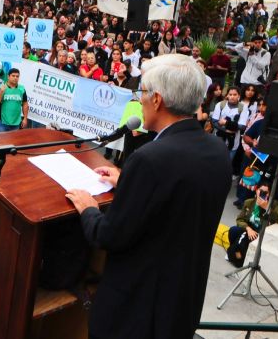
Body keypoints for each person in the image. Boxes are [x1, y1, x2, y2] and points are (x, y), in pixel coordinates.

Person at [65, 54, 231, 339]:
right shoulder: (216, 151)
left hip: (137, 313)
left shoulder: (149, 159)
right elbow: (177, 201)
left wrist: (89, 207)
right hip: (181, 305)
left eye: (141, 92)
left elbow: (109, 236)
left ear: (157, 100)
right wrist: (127, 181)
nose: (139, 99)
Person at [226, 179, 278, 267]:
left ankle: (238, 257)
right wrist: (248, 228)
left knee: (243, 243)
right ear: (256, 190)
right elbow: (240, 219)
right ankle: (234, 253)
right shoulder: (249, 202)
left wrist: (266, 207)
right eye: (261, 191)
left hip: (262, 232)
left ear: (269, 194)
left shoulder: (274, 205)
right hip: (250, 229)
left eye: (266, 192)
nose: (262, 194)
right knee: (233, 231)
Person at [0, 68, 28, 132]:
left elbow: (25, 104)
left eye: (17, 76)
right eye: (13, 76)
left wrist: (25, 118)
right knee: (1, 141)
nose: (15, 78)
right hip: (2, 122)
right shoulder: (1, 87)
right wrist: (1, 91)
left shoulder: (22, 89)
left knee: (13, 142)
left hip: (16, 123)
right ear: (8, 76)